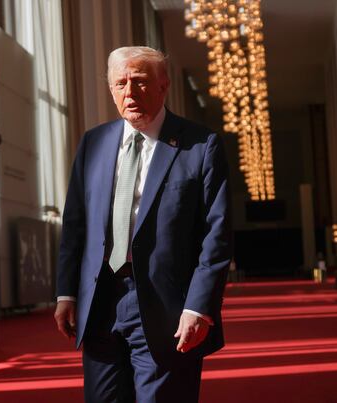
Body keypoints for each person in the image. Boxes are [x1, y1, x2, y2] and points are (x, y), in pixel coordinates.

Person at [54, 46, 232, 402]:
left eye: (140, 82)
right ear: (110, 89)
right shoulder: (94, 143)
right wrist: (67, 291)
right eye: (120, 83)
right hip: (101, 300)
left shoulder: (200, 145)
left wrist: (199, 306)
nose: (130, 93)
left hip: (167, 306)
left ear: (164, 85)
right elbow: (75, 222)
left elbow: (217, 232)